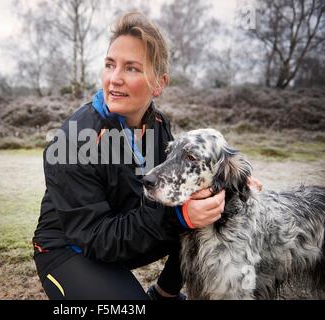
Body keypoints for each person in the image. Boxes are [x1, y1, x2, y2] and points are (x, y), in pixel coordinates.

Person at [32, 12, 226, 300]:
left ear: (159, 84)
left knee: (207, 210)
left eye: (132, 68)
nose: (114, 78)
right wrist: (179, 217)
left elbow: (188, 182)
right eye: (110, 65)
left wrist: (234, 182)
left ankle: (164, 294)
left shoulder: (158, 124)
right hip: (70, 250)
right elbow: (97, 239)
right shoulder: (72, 141)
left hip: (126, 233)